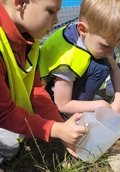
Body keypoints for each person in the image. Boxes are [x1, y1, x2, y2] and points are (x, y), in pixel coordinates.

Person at [0, 0, 86, 163]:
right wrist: (55, 129)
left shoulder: (29, 40)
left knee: (13, 140)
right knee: (9, 144)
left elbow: (36, 91)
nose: (56, 20)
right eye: (51, 11)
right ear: (21, 3)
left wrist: (62, 128)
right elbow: (3, 113)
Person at [39, 0, 120, 116]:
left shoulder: (88, 33)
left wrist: (119, 99)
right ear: (82, 30)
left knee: (106, 59)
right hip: (49, 98)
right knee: (101, 66)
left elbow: (115, 69)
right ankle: (71, 115)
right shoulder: (67, 59)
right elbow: (62, 104)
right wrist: (100, 105)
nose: (111, 52)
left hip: (64, 86)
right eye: (106, 45)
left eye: (114, 46)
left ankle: (81, 101)